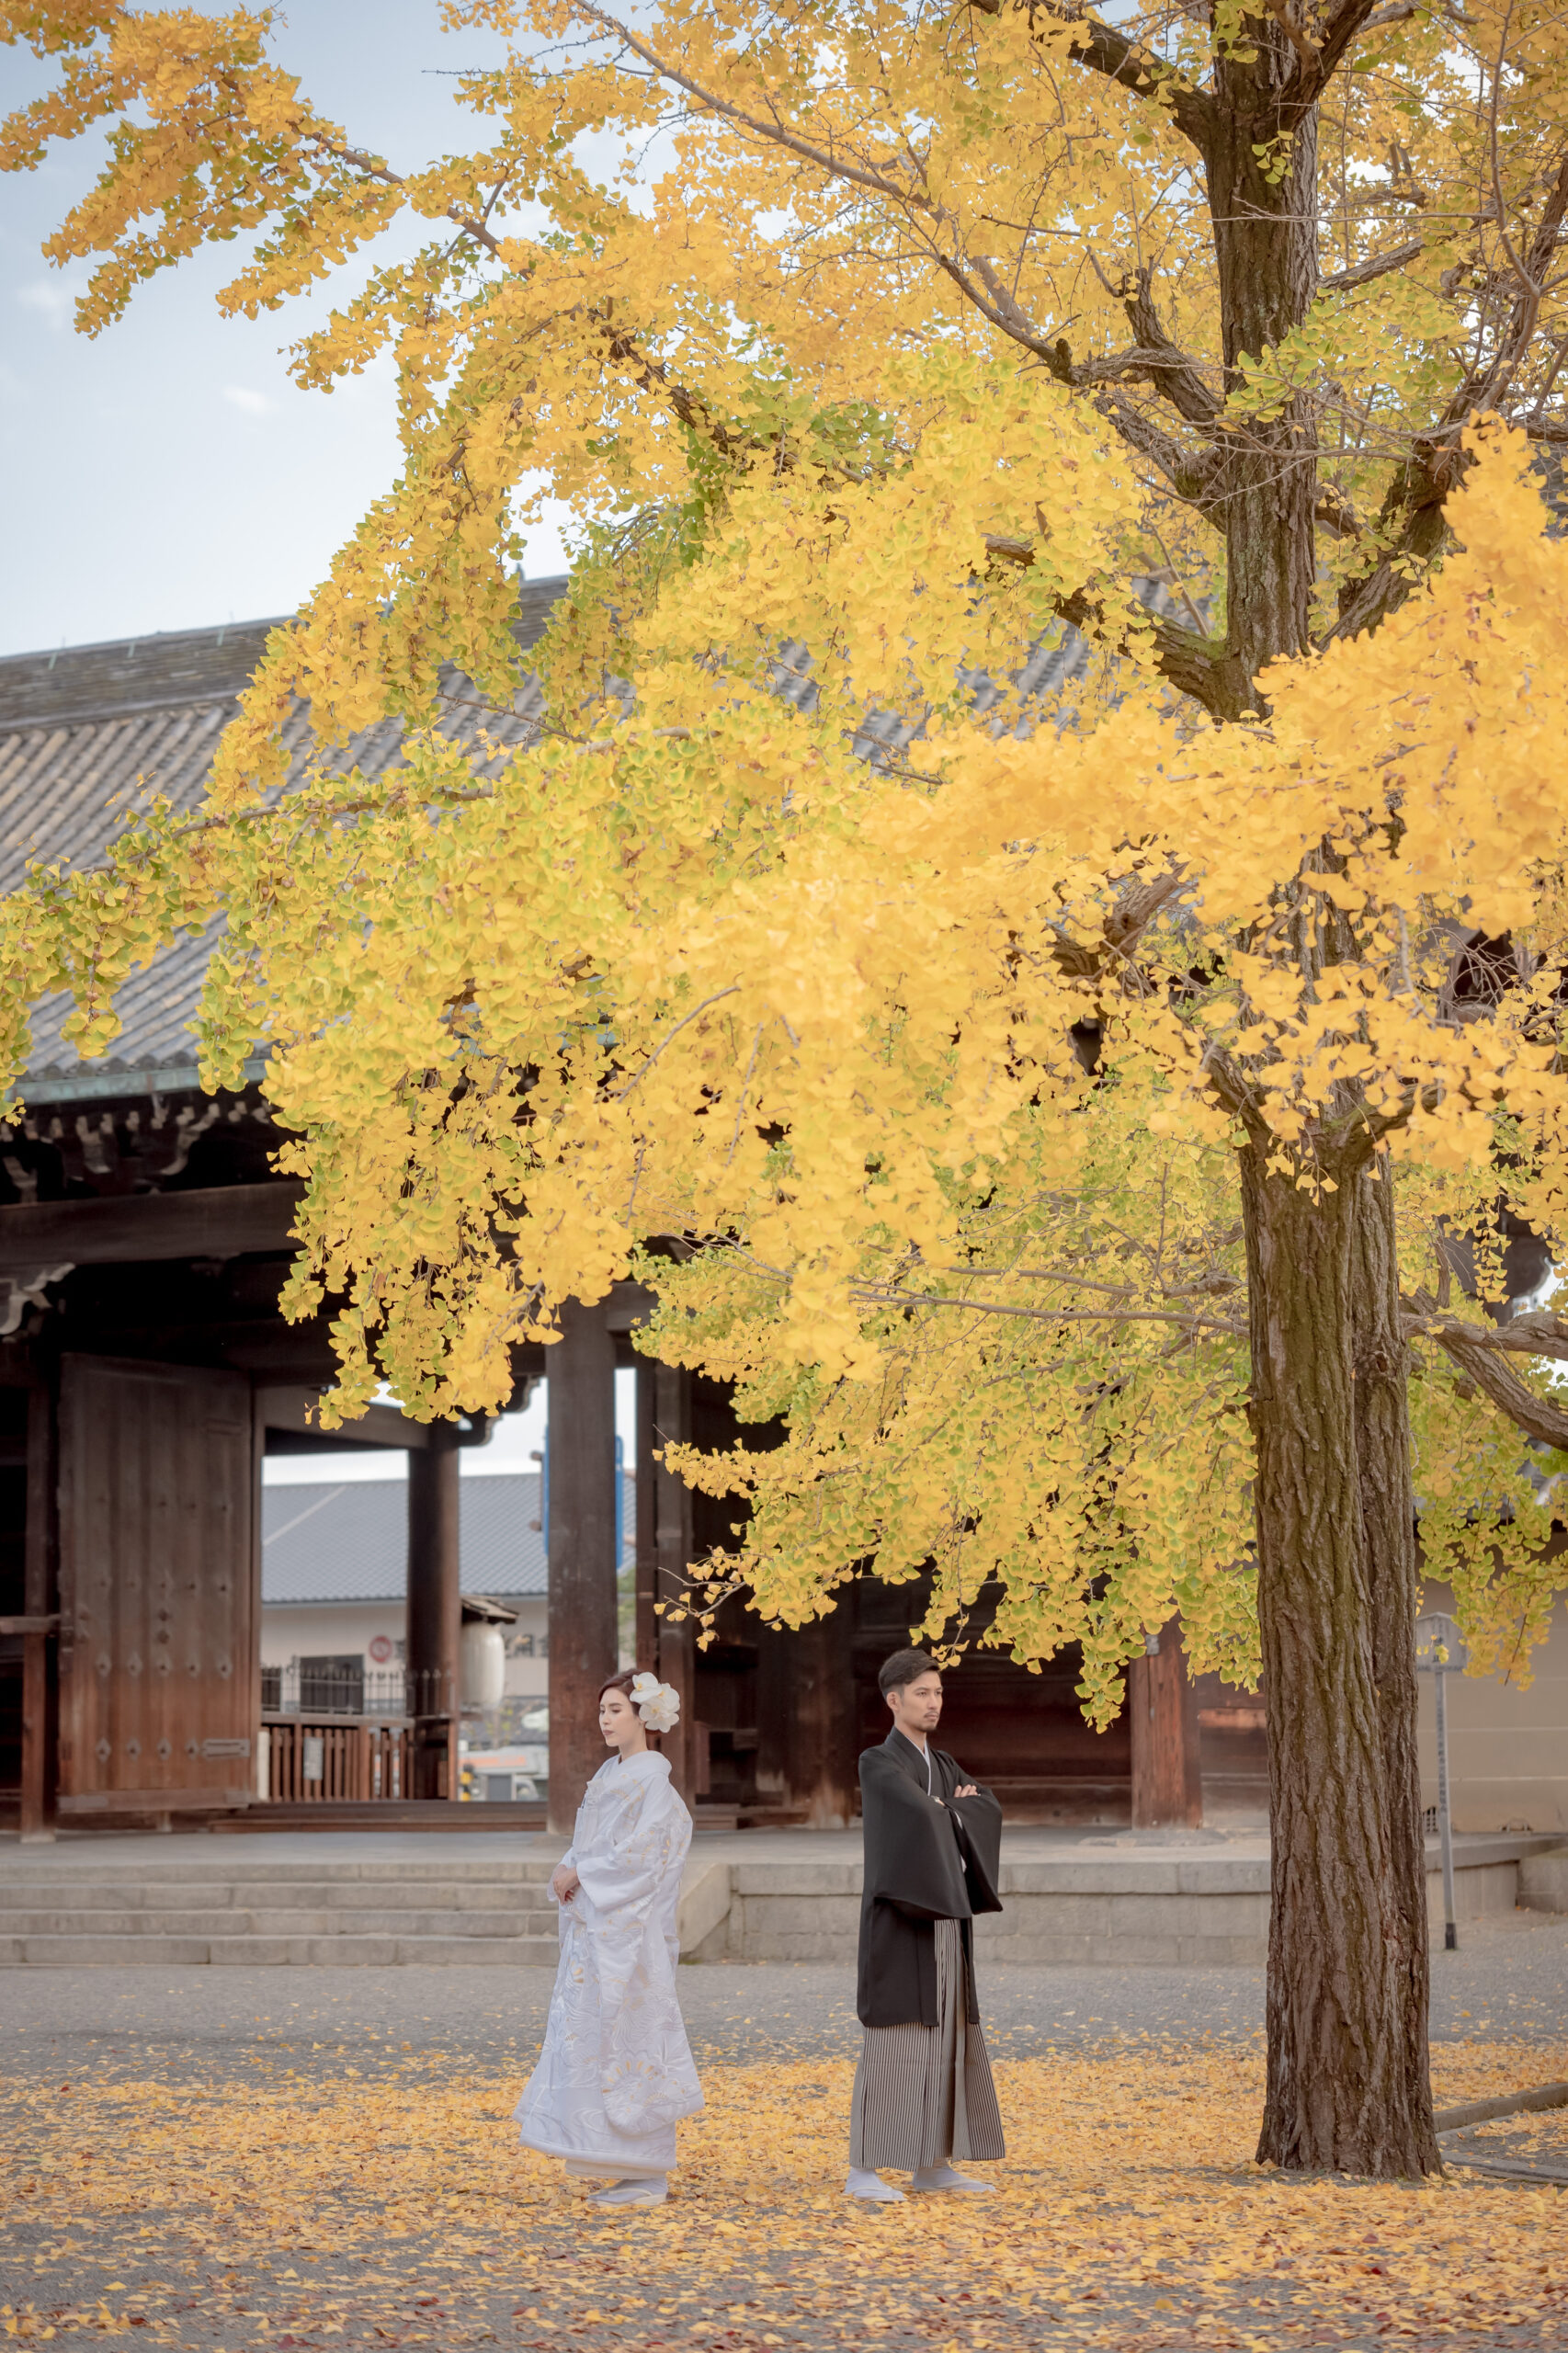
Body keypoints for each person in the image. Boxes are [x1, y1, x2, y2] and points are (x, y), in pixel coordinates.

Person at [514, 1668, 702, 2209]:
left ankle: (648, 2174)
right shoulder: (611, 1774)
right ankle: (621, 2165)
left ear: (645, 1716)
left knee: (633, 2043)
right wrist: (570, 1865)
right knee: (600, 2045)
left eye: (616, 1709)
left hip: (630, 1939)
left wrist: (585, 1872)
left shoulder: (654, 1786)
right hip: (599, 1932)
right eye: (602, 1711)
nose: (606, 1720)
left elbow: (645, 1857)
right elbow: (594, 1842)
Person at [846, 1647, 1006, 2203]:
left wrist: (952, 1810)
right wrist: (953, 1811)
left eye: (938, 1692)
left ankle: (932, 2163)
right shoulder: (878, 1761)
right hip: (899, 1918)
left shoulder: (945, 1764)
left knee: (947, 2039)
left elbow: (985, 1805)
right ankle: (864, 2169)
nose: (934, 1702)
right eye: (922, 1693)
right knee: (896, 2042)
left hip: (945, 1920)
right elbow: (921, 1816)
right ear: (894, 1700)